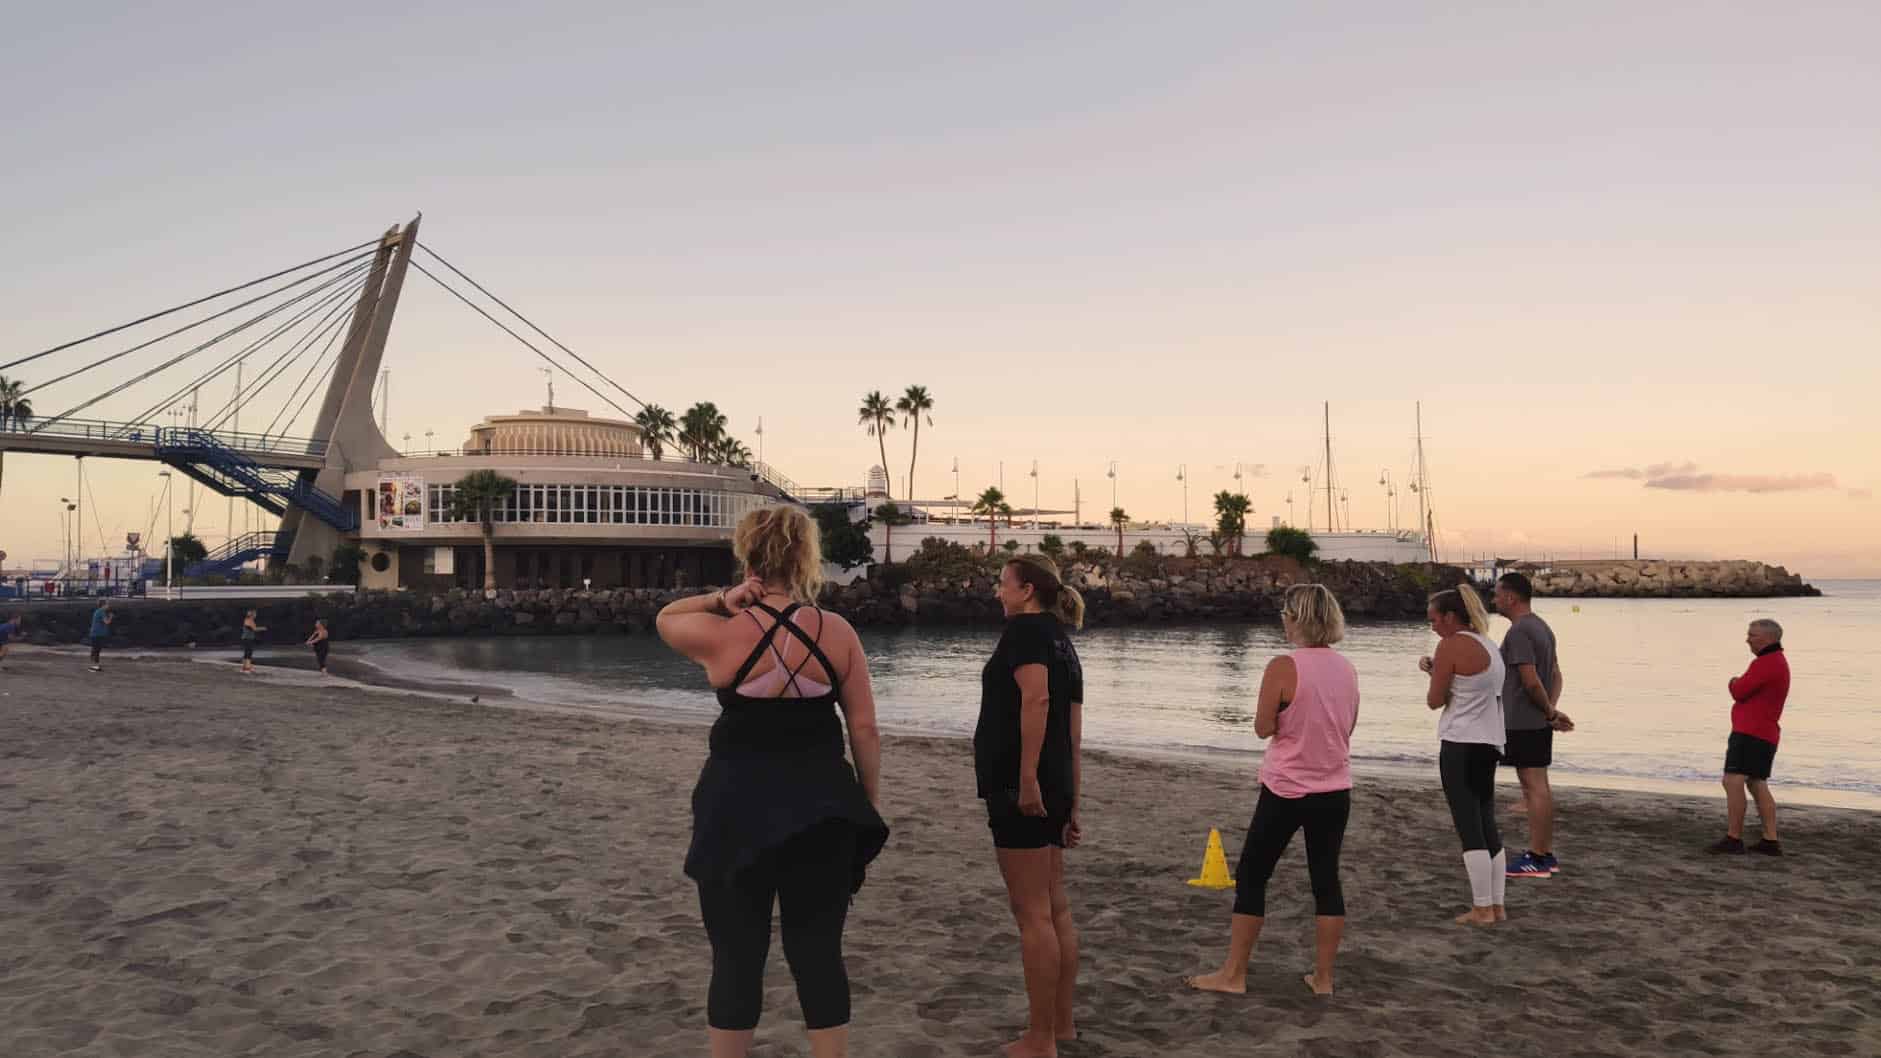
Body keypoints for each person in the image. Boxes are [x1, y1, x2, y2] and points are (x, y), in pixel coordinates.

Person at [655, 506, 887, 1058]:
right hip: (823, 810)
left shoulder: (720, 633)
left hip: (735, 808)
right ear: (806, 556)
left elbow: (666, 617)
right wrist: (866, 805)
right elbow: (865, 728)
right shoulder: (838, 632)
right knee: (818, 955)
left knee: (736, 956)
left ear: (748, 556)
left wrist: (720, 599)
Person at [1189, 584, 1357, 998]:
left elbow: (1264, 726)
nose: (1282, 620)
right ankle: (1324, 979)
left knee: (1252, 875)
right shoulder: (1346, 668)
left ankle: (1234, 974)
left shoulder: (1283, 666)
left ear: (1296, 618)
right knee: (1325, 880)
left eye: (1285, 613)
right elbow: (1347, 726)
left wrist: (1287, 717)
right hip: (1335, 787)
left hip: (1287, 787)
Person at [974, 554, 1086, 1058]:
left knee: (1033, 914)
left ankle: (1040, 1040)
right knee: (1055, 908)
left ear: (1025, 590)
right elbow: (1074, 732)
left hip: (1024, 788)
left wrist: (1025, 779)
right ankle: (1060, 1026)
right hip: (1055, 783)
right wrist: (1073, 798)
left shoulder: (1024, 633)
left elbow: (1036, 702)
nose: (998, 591)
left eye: (1003, 583)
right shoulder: (1063, 642)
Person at [1420, 585, 1509, 925]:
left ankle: (1482, 907)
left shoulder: (1450, 645)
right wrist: (1439, 670)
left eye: (1434, 620)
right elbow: (1471, 688)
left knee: (1468, 825)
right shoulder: (1489, 644)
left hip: (1460, 742)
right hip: (1490, 742)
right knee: (1487, 821)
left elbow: (1435, 700)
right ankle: (1497, 904)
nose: (1433, 627)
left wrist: (1434, 672)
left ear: (1450, 617)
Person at [1492, 572, 1571, 879]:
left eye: (1498, 595)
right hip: (1534, 720)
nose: (1494, 600)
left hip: (1523, 723)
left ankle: (1539, 856)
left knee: (1534, 786)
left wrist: (1548, 713)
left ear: (1511, 597)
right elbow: (1556, 675)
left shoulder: (1520, 632)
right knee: (1537, 786)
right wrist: (1549, 712)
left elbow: (1530, 680)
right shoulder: (1542, 627)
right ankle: (1542, 853)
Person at [1710, 619, 1790, 855]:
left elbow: (1739, 690)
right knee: (1756, 782)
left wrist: (1732, 681)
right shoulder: (1776, 662)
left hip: (1751, 732)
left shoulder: (1766, 663)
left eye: (1752, 635)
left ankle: (1734, 837)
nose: (1748, 639)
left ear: (1767, 638)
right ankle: (1770, 840)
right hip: (1765, 733)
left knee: (1732, 780)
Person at [87, 602, 113, 672]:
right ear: (103, 605)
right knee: (97, 650)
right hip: (97, 634)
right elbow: (107, 622)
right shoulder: (101, 612)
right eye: (107, 604)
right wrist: (110, 617)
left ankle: (94, 664)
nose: (108, 606)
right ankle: (95, 666)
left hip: (96, 633)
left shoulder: (98, 611)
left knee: (95, 649)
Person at [240, 609, 266, 674]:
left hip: (248, 638)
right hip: (247, 639)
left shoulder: (250, 620)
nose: (256, 615)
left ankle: (245, 668)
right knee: (248, 653)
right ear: (252, 614)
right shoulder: (248, 620)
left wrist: (260, 628)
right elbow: (254, 629)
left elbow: (253, 628)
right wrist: (263, 628)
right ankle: (247, 669)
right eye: (255, 614)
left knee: (247, 653)